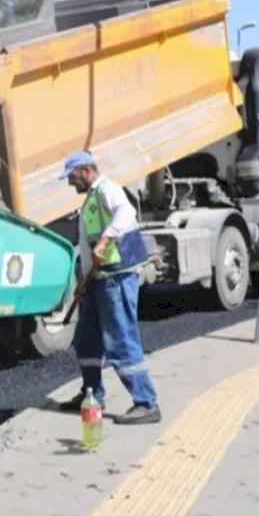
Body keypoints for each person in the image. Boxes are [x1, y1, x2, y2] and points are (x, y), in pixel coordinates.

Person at [56, 151, 161, 425]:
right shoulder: (91, 199)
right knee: (86, 339)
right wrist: (82, 281)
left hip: (117, 276)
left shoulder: (108, 190)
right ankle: (92, 394)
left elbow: (126, 213)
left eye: (71, 176)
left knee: (120, 339)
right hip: (97, 279)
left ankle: (146, 402)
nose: (69, 183)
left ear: (86, 170)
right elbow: (87, 245)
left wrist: (106, 239)